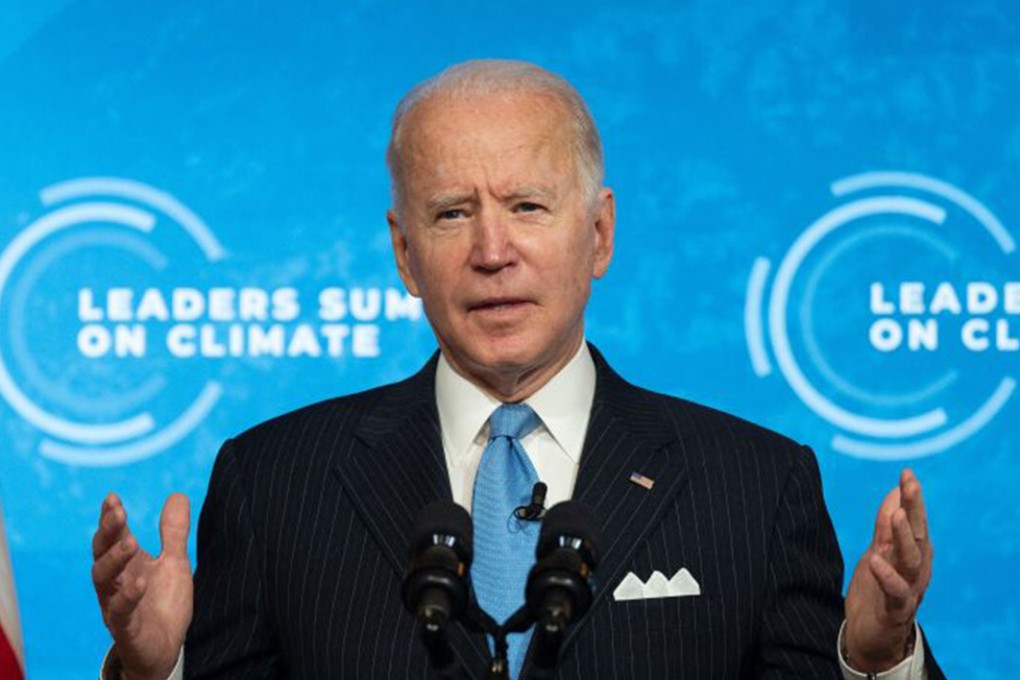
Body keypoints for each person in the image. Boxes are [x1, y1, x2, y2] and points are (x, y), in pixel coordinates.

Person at [92, 59, 942, 679]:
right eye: (452, 213)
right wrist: (154, 672)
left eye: (527, 206)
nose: (492, 251)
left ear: (598, 235)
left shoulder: (753, 485)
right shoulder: (275, 482)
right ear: (404, 253)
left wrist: (875, 662)